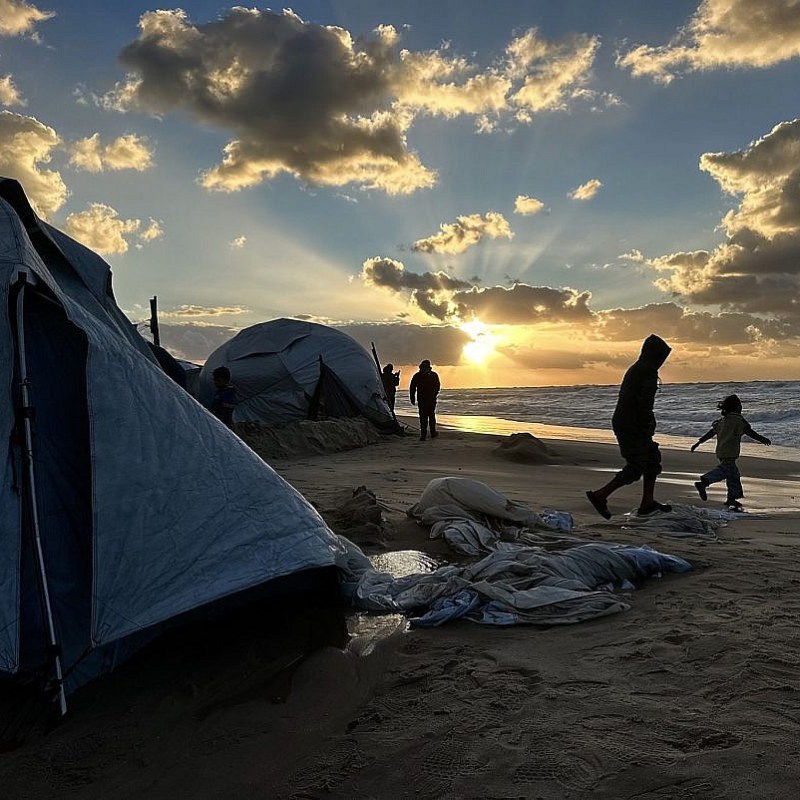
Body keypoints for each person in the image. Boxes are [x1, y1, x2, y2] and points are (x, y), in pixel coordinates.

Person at [586, 334, 673, 519]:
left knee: (651, 459)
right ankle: (600, 495)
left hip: (626, 421)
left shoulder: (637, 368)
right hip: (632, 423)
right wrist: (648, 423)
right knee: (636, 465)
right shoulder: (648, 371)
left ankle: (647, 503)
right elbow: (644, 402)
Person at [691, 393, 771, 512]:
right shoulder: (738, 421)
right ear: (738, 408)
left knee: (732, 475)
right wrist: (762, 439)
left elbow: (711, 433)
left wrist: (699, 442)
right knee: (725, 471)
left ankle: (731, 498)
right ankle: (704, 482)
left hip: (721, 451)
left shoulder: (722, 421)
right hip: (730, 452)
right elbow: (749, 431)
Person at [409, 359, 440, 441]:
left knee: (423, 417)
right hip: (429, 399)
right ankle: (432, 433)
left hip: (423, 399)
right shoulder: (433, 375)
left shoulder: (417, 375)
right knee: (430, 416)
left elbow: (412, 388)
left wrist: (412, 398)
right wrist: (434, 394)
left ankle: (424, 435)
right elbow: (437, 386)